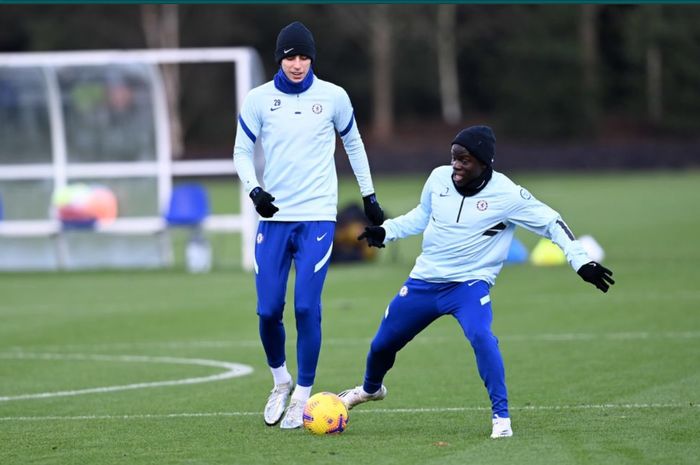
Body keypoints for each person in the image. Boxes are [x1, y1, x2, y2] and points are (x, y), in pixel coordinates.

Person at [338, 125, 615, 439]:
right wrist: (385, 231)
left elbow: (552, 223)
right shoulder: (438, 179)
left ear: (484, 163)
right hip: (424, 281)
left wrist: (581, 261)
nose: (456, 165)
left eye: (464, 160)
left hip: (469, 286)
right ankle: (370, 390)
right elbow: (421, 215)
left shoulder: (508, 195)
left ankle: (501, 417)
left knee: (482, 337)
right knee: (381, 345)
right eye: (454, 157)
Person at [232, 21, 384, 429]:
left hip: (318, 216)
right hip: (274, 218)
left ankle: (303, 394)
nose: (297, 64)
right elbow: (242, 152)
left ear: (312, 58)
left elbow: (354, 145)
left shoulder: (333, 97)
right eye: (289, 56)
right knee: (268, 311)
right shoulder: (259, 99)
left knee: (305, 307)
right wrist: (255, 191)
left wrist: (369, 197)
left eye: (303, 56)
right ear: (278, 58)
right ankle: (280, 381)